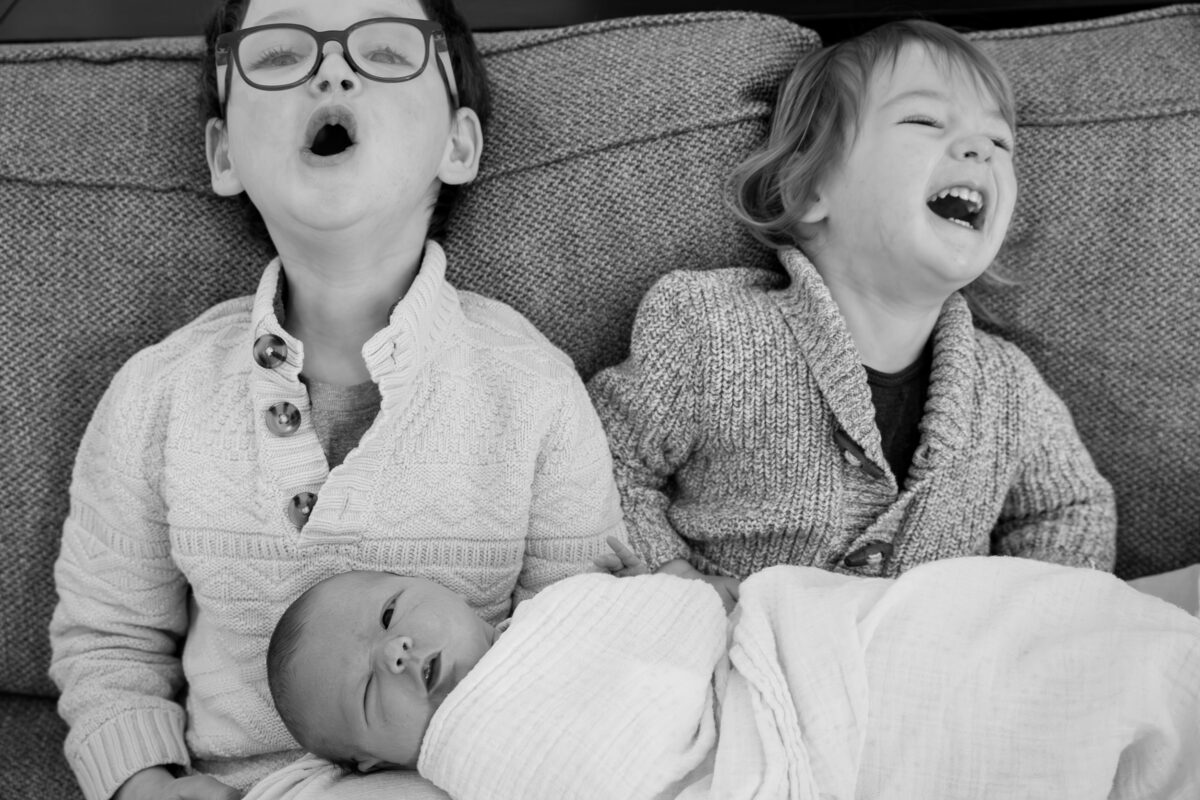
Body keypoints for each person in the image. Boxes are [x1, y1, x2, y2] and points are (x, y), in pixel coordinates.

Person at [48, 1, 625, 799]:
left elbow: (585, 639)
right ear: (224, 155)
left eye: (385, 50)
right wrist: (144, 781)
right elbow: (108, 640)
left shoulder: (532, 390)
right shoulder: (158, 395)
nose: (332, 69)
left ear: (458, 145)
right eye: (278, 55)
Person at [587, 19, 1116, 611]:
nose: (981, 149)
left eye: (1000, 140)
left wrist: (1026, 614)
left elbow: (1070, 508)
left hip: (926, 657)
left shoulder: (1010, 386)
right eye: (925, 121)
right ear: (809, 190)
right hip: (737, 640)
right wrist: (671, 574)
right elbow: (603, 461)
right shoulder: (710, 329)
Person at [257, 555, 1200, 800]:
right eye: (369, 691)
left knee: (994, 640)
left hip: (803, 660)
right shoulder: (472, 760)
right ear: (366, 763)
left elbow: (687, 616)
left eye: (391, 613)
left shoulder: (561, 609)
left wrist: (692, 610)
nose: (395, 653)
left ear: (436, 586)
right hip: (799, 756)